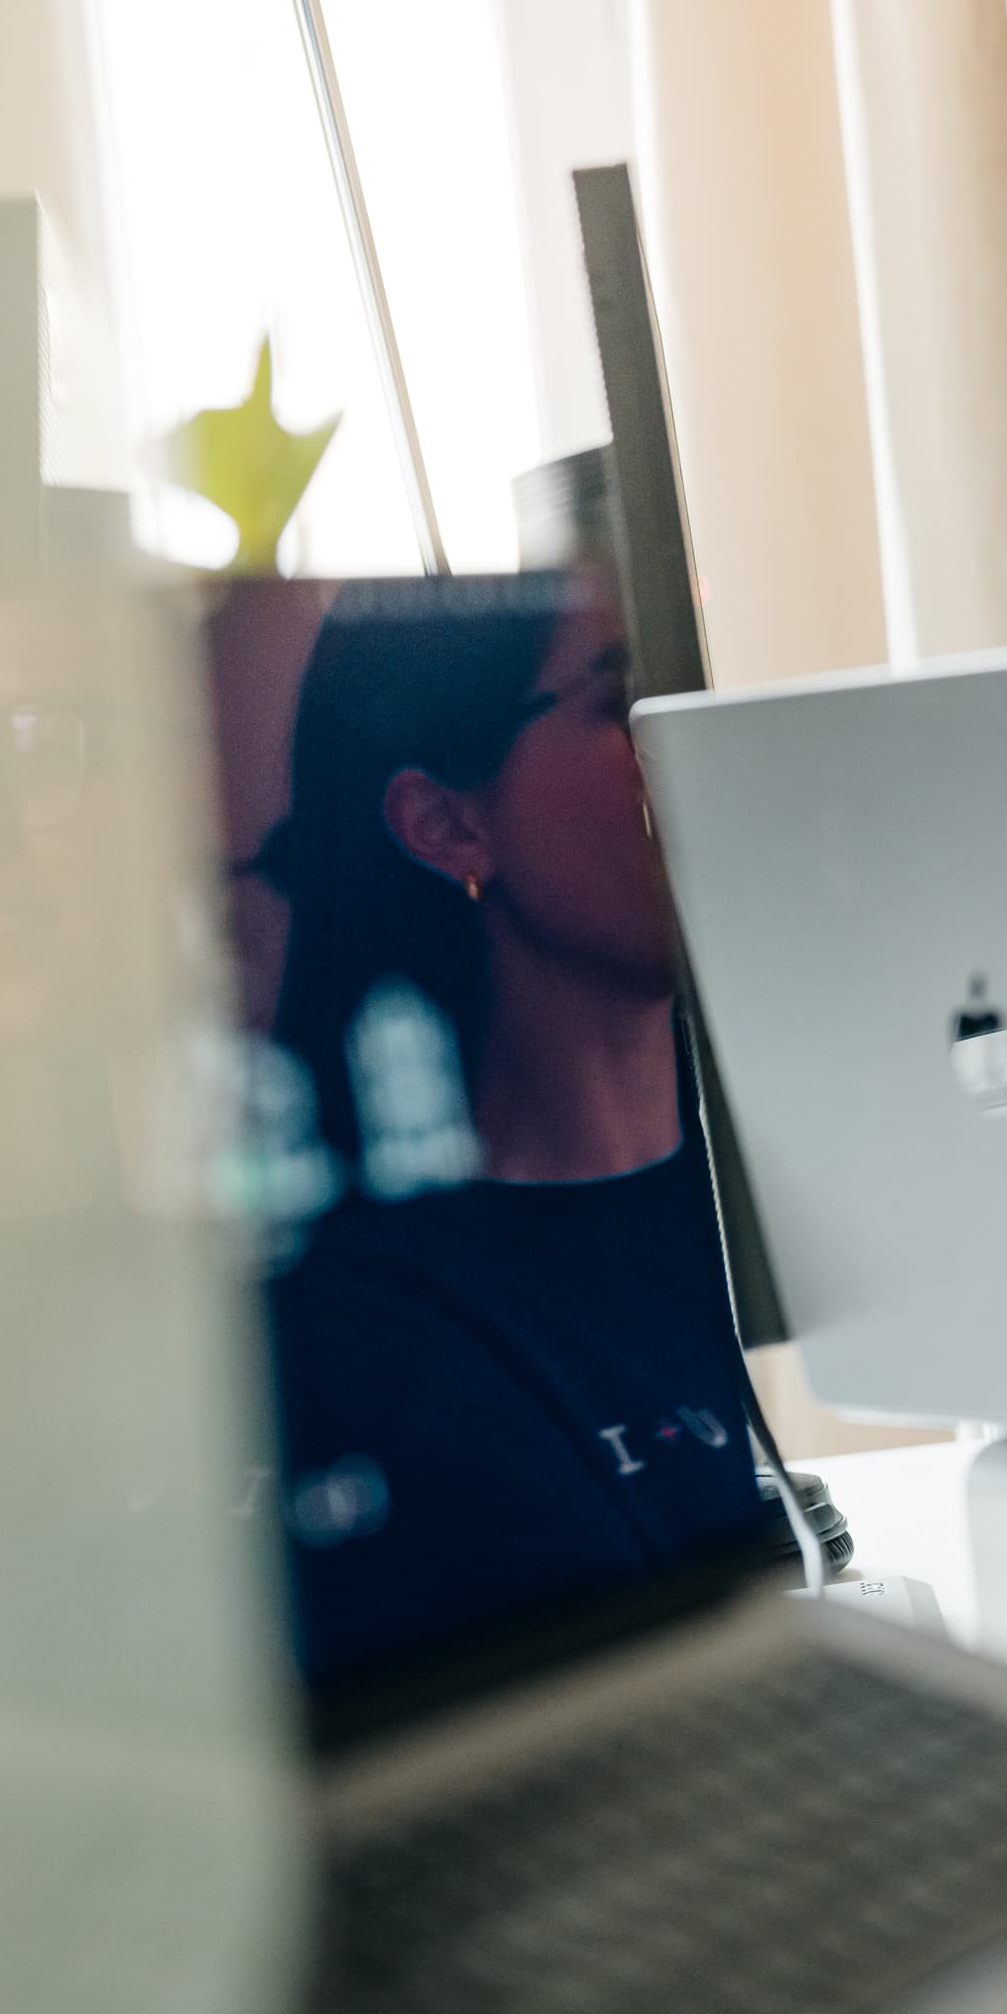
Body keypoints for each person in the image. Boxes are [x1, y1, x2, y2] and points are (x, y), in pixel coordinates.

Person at [247, 578, 762, 1689]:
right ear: (446, 823)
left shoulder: (792, 1177)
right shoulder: (365, 1333)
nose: (695, 742)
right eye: (627, 701)